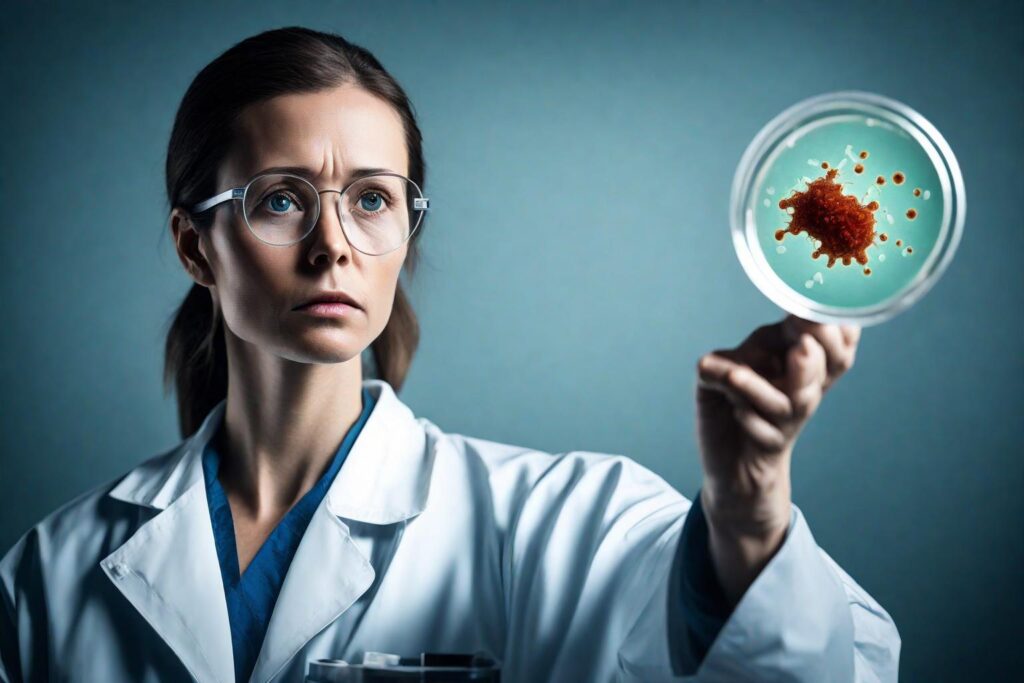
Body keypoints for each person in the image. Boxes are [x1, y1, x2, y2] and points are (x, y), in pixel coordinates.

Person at [0, 26, 900, 683]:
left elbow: (823, 667)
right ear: (197, 247)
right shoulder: (53, 571)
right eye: (280, 200)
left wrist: (746, 511)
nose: (333, 245)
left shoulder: (556, 525)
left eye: (372, 199)